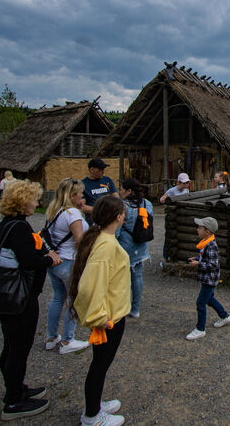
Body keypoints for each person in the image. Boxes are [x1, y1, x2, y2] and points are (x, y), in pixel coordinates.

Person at [0, 180, 62, 420]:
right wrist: (49, 259)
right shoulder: (19, 227)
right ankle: (13, 402)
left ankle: (15, 388)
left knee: (11, 345)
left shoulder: (9, 224)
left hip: (8, 296)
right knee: (18, 348)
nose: (37, 203)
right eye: (34, 199)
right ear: (23, 201)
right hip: (19, 297)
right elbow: (28, 261)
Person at [69, 196, 130, 426]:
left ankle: (95, 403)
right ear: (118, 217)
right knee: (100, 364)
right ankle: (92, 416)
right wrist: (99, 317)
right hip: (109, 318)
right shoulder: (105, 246)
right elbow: (89, 286)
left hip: (114, 313)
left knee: (101, 363)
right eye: (123, 212)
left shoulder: (103, 239)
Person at [44, 178, 91, 355]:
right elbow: (79, 241)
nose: (83, 197)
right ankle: (68, 340)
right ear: (72, 196)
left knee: (57, 298)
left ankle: (51, 337)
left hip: (56, 261)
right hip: (70, 261)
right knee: (74, 300)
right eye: (80, 194)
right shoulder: (73, 214)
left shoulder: (54, 211)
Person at [185, 216, 230, 340]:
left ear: (207, 231)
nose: (197, 229)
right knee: (209, 299)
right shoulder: (206, 243)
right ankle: (224, 316)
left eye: (200, 227)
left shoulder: (211, 246)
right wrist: (196, 258)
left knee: (201, 302)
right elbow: (205, 258)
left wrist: (198, 264)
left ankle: (200, 329)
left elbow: (212, 265)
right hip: (207, 278)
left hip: (209, 279)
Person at [116, 178, 153, 319]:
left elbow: (117, 229)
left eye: (122, 189)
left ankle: (121, 306)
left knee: (120, 277)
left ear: (129, 191)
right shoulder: (146, 204)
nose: (120, 192)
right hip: (141, 244)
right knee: (137, 277)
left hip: (125, 244)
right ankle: (135, 308)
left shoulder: (122, 206)